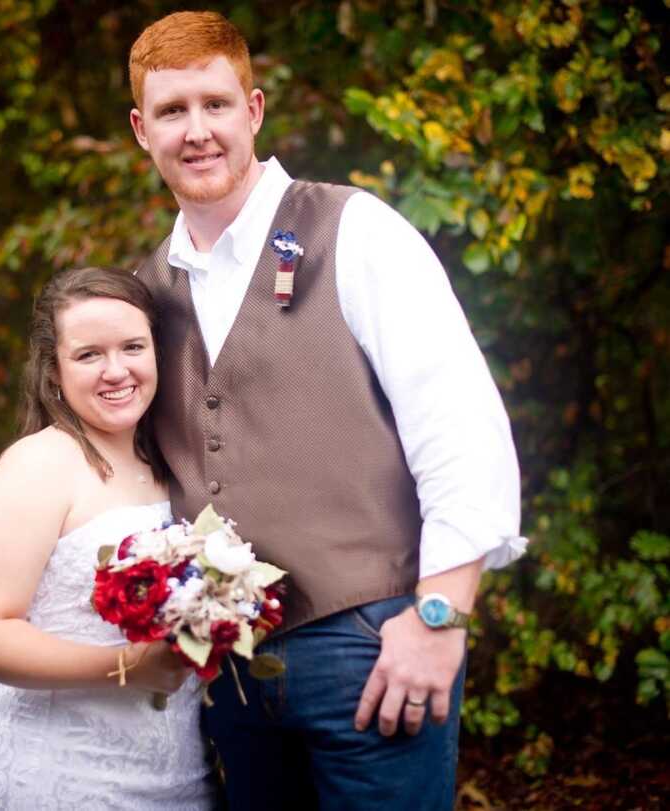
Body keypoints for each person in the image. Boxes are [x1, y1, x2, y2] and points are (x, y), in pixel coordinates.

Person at [129, 11, 527, 811]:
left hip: (373, 645)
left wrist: (440, 617)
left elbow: (457, 423)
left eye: (216, 103)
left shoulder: (355, 229)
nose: (197, 130)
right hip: (230, 676)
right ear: (142, 130)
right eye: (172, 112)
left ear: (255, 110)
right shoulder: (145, 290)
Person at [0, 267, 218, 810]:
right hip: (60, 770)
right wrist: (127, 668)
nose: (115, 371)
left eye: (132, 347)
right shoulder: (40, 464)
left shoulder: (174, 461)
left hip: (176, 770)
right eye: (89, 355)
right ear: (54, 372)